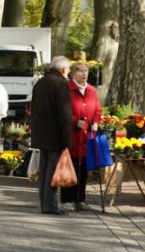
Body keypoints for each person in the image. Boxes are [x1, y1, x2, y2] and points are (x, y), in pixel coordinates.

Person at [30, 56, 73, 215]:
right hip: (55, 134)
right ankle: (50, 205)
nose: (68, 73)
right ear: (63, 70)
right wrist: (68, 139)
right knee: (52, 171)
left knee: (45, 168)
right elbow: (65, 114)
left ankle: (44, 203)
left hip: (41, 134)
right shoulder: (60, 84)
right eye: (68, 70)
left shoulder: (41, 82)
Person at [62, 62, 101, 210]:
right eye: (80, 71)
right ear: (73, 73)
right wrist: (74, 122)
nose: (84, 74)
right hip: (71, 135)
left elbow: (97, 109)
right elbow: (62, 111)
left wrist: (96, 122)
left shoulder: (92, 91)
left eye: (86, 71)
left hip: (86, 136)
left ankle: (81, 199)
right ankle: (67, 199)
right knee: (70, 167)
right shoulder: (67, 90)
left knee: (83, 168)